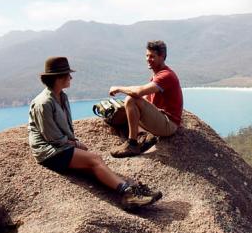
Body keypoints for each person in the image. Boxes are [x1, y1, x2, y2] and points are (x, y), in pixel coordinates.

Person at [28, 56, 162, 210]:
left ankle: (130, 189)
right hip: (50, 153)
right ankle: (128, 193)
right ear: (58, 78)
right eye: (67, 74)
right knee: (94, 160)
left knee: (93, 165)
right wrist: (76, 144)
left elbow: (64, 130)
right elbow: (52, 138)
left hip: (61, 147)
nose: (70, 77)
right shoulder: (43, 103)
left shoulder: (61, 97)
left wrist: (74, 144)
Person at [108, 40, 183, 158]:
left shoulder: (166, 75)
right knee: (120, 110)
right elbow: (145, 98)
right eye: (147, 56)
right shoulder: (156, 75)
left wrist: (118, 88)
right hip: (160, 118)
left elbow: (138, 92)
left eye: (152, 56)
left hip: (168, 124)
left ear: (162, 57)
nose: (148, 59)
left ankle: (132, 144)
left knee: (131, 100)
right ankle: (144, 135)